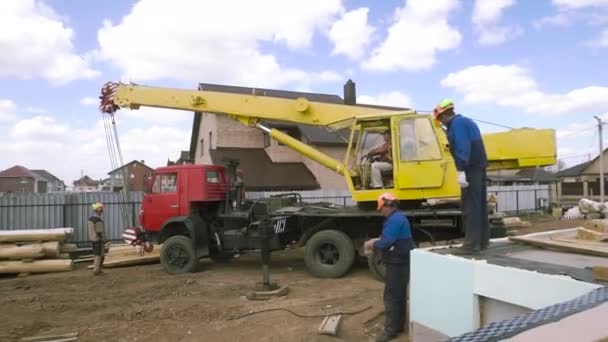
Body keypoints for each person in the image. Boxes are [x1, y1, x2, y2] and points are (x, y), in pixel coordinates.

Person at [433, 98, 490, 255]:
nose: (442, 124)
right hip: (478, 168)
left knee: (470, 206)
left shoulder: (457, 125)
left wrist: (461, 170)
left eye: (440, 120)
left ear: (443, 116)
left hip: (470, 169)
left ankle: (471, 245)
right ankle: (482, 242)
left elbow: (463, 146)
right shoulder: (466, 121)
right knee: (479, 207)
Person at [364, 193, 414, 342]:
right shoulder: (399, 217)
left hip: (397, 262)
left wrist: (371, 244)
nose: (381, 212)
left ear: (387, 206)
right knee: (399, 294)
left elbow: (386, 242)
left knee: (391, 296)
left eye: (381, 209)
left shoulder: (394, 220)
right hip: (402, 261)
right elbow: (391, 238)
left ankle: (390, 331)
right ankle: (398, 326)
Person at [88, 202, 106, 275]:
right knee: (99, 255)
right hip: (98, 239)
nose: (101, 212)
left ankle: (97, 269)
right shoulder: (98, 220)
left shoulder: (90, 219)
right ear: (97, 211)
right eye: (101, 210)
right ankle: (97, 270)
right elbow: (99, 231)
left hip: (92, 239)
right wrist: (103, 239)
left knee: (96, 254)